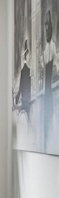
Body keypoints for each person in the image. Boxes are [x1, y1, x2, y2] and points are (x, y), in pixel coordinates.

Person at [42, 10, 57, 149]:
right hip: (46, 91)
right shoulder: (44, 50)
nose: (46, 29)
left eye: (48, 26)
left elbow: (55, 68)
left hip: (50, 90)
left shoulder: (52, 47)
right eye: (45, 26)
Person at [15, 38, 31, 120]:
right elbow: (21, 86)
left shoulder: (27, 70)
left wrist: (17, 98)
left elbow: (21, 86)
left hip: (27, 98)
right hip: (26, 99)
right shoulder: (25, 70)